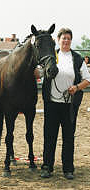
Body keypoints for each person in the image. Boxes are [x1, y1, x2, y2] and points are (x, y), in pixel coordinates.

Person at [40, 28, 90, 180]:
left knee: (68, 137)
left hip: (69, 105)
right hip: (52, 104)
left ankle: (68, 169)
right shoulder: (51, 56)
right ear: (58, 40)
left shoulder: (77, 58)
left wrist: (76, 87)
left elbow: (87, 79)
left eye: (68, 38)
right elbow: (40, 73)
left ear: (71, 40)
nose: (66, 41)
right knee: (49, 137)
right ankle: (47, 167)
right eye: (63, 38)